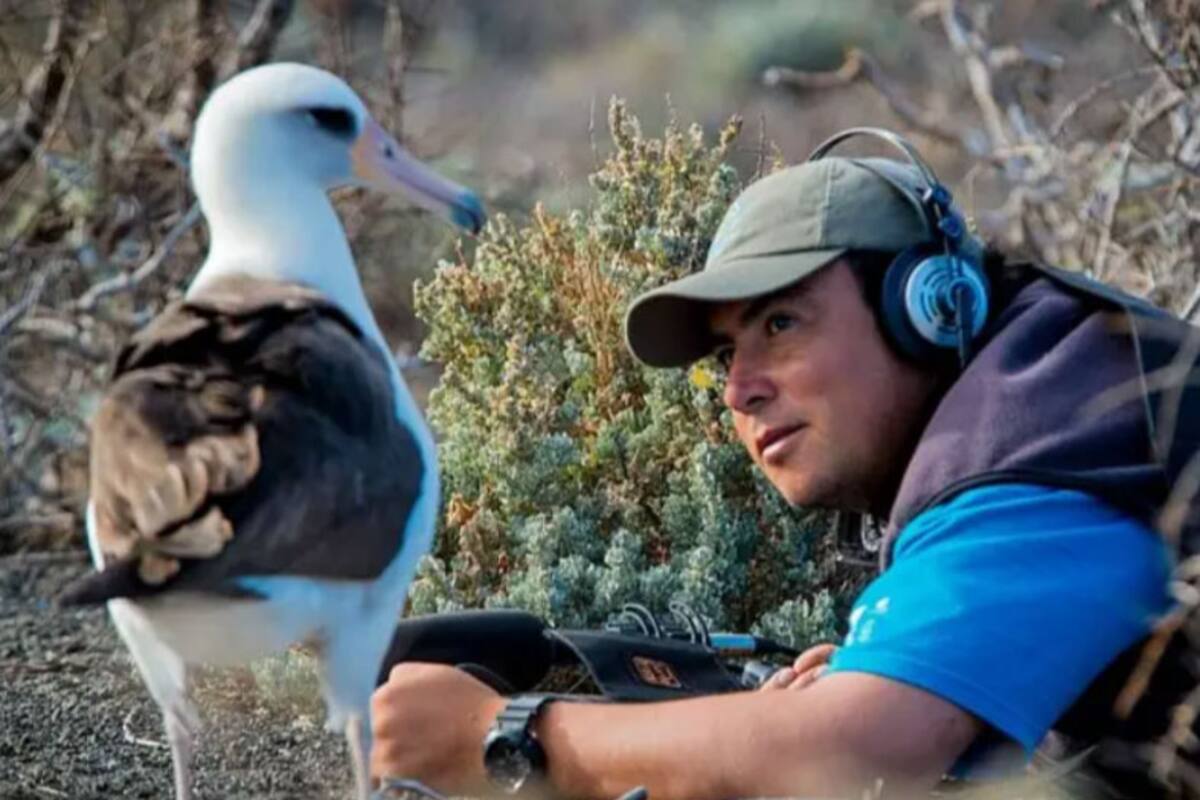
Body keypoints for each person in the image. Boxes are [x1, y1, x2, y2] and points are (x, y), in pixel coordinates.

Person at [370, 128, 1199, 799]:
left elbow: (851, 757)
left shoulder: (1039, 453)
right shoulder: (1056, 385)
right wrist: (902, 684)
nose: (739, 390)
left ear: (930, 305)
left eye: (781, 325)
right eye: (729, 350)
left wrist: (505, 734)